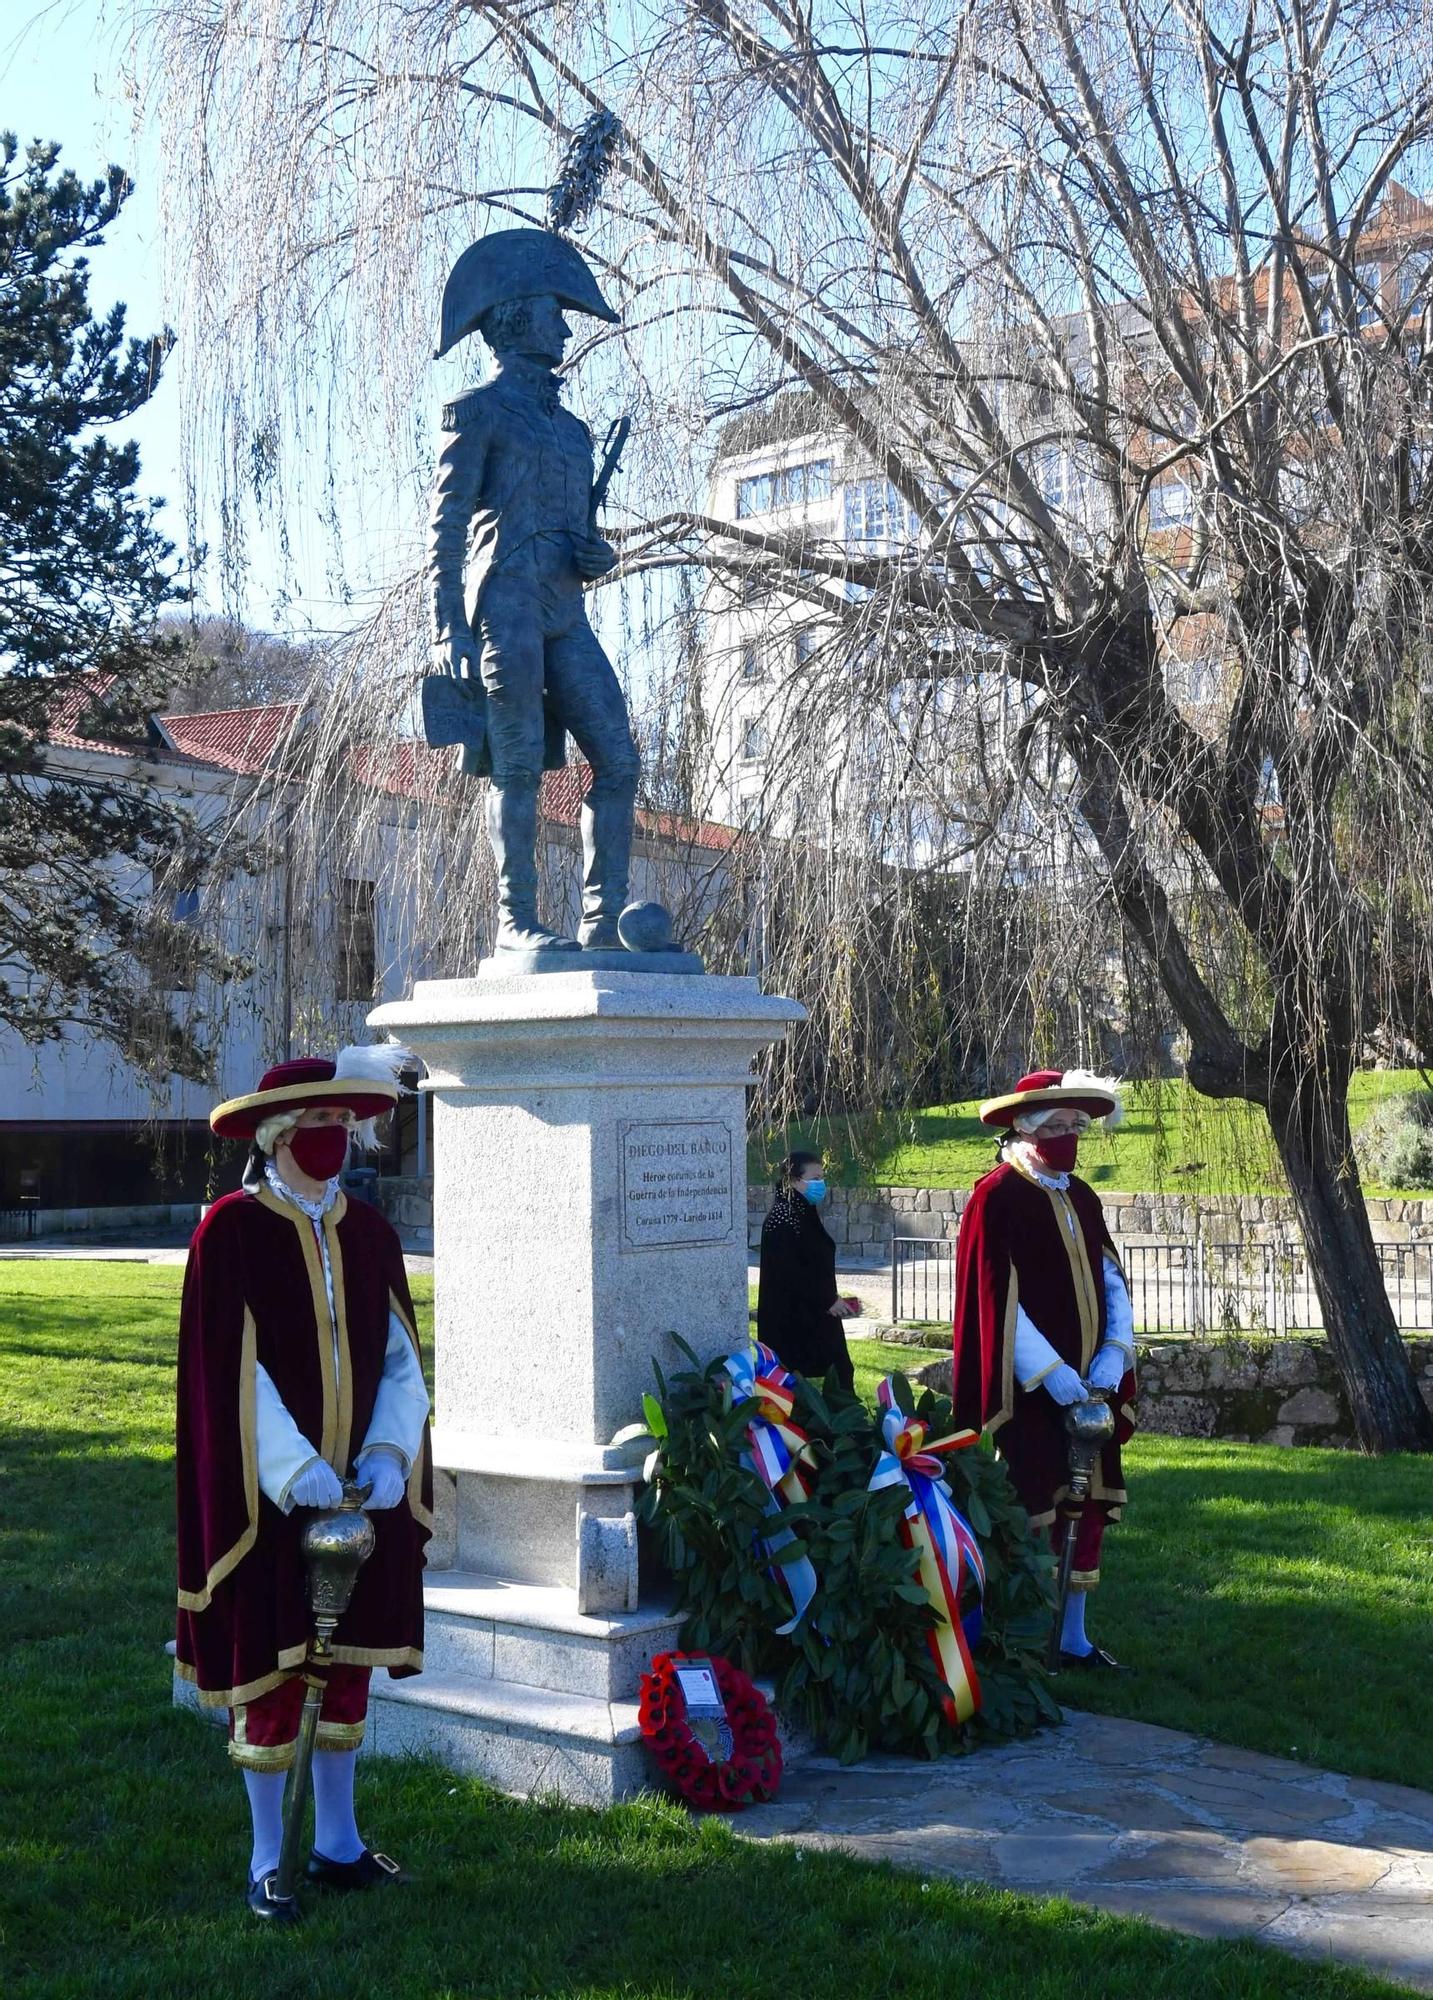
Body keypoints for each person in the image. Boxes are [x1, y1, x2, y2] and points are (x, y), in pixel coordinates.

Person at [175, 1045, 433, 1922]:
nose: (332, 1140)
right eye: (316, 1126)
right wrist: (296, 1470)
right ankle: (264, 1860)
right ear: (280, 1134)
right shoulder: (231, 1231)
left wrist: (392, 1455)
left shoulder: (370, 1232)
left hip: (363, 1495)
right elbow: (229, 1374)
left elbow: (401, 1359)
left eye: (341, 1126)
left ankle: (336, 1843)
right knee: (274, 1674)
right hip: (269, 1499)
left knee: (346, 1669)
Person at [425, 226, 641, 956]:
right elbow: (447, 528)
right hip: (506, 605)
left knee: (618, 761)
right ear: (517, 317)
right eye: (553, 312)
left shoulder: (577, 432)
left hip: (563, 606)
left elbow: (582, 534)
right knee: (515, 765)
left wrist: (594, 550)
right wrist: (447, 627)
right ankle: (516, 920)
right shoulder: (476, 411)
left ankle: (601, 922)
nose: (563, 326)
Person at [950, 1069, 1137, 1671]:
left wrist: (1115, 1349)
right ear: (1024, 1129)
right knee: (1034, 1503)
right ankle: (1018, 1635)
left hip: (1092, 1385)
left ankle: (1075, 1638)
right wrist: (1050, 1371)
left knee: (1087, 1509)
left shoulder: (1080, 1194)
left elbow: (1109, 1277)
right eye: (1054, 1126)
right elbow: (994, 1297)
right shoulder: (996, 1196)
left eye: (1074, 1126)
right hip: (1025, 1389)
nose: (1067, 1137)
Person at [756, 1152, 859, 1392]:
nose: (820, 1184)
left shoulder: (802, 1212)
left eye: (822, 1177)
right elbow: (790, 1271)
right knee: (806, 1381)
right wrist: (826, 1299)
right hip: (795, 1319)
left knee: (840, 1373)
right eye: (815, 1178)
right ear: (794, 1180)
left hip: (817, 1311)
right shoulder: (783, 1218)